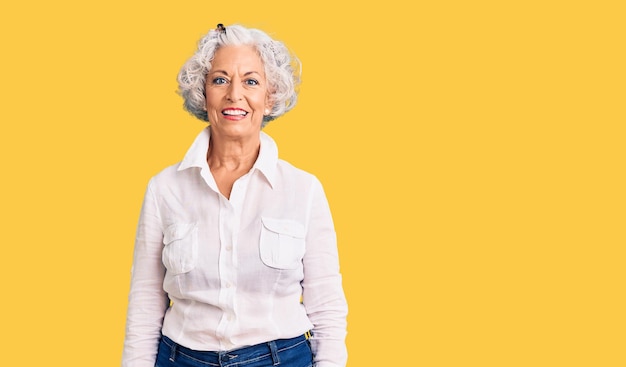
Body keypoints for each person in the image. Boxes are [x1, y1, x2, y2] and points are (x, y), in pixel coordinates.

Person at [121, 24, 348, 367]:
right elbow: (145, 303)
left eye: (251, 81)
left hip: (282, 359)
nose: (234, 95)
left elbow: (327, 307)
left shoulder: (304, 190)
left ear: (270, 96)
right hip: (182, 359)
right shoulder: (164, 189)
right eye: (220, 79)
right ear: (203, 91)